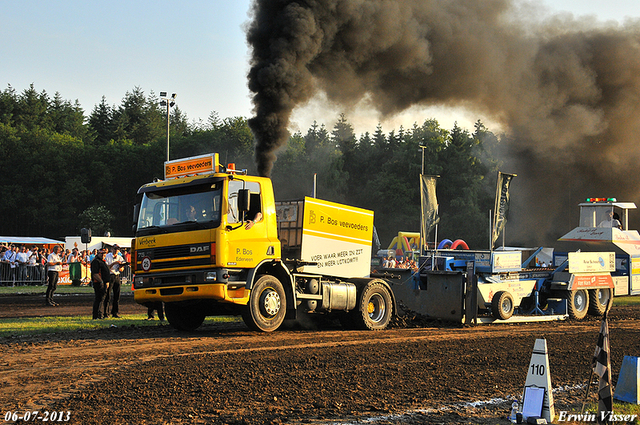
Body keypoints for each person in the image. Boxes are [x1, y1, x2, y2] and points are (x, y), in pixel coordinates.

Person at [104, 245, 124, 318]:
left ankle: (115, 312)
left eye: (117, 249)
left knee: (117, 295)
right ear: (112, 249)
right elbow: (107, 268)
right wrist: (114, 263)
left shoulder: (120, 257)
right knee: (108, 295)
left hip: (116, 276)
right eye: (115, 249)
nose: (116, 250)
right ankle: (106, 313)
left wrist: (121, 266)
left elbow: (122, 270)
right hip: (110, 275)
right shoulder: (107, 256)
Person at [90, 248, 111, 319]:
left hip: (103, 282)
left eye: (104, 253)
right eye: (101, 253)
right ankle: (97, 315)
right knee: (99, 299)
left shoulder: (103, 261)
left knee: (101, 299)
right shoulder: (96, 262)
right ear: (98, 254)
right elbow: (95, 273)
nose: (103, 255)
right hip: (98, 283)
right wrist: (101, 281)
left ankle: (99, 314)